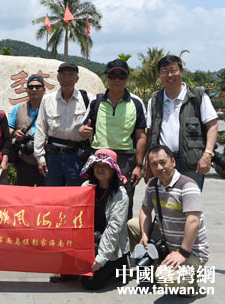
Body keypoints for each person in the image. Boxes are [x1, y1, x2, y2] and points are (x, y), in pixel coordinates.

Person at [128, 145, 209, 295]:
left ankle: (191, 280)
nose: (159, 167)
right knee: (132, 225)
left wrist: (183, 253)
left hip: (191, 250)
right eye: (153, 164)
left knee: (165, 278)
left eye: (163, 162)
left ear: (173, 162)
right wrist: (145, 236)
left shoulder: (188, 185)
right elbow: (145, 210)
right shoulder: (153, 184)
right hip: (166, 242)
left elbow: (193, 221)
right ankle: (154, 268)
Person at [79, 59, 147, 219]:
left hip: (125, 160)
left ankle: (122, 242)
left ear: (127, 78)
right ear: (106, 78)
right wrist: (83, 130)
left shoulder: (136, 103)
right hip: (99, 158)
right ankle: (96, 239)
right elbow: (82, 128)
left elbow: (141, 136)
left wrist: (138, 165)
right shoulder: (96, 102)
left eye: (121, 76)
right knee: (96, 200)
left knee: (123, 201)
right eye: (113, 76)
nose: (117, 80)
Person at [145, 55, 218, 190]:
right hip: (163, 163)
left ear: (181, 71)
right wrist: (147, 164)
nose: (169, 75)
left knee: (190, 204)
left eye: (173, 70)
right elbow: (149, 134)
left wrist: (207, 154)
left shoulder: (197, 96)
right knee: (164, 204)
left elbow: (212, 125)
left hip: (192, 163)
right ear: (159, 74)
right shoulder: (155, 100)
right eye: (164, 71)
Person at [75, 149, 130, 289]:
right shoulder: (85, 187)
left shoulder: (120, 196)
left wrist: (100, 259)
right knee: (71, 271)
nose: (100, 168)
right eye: (97, 164)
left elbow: (114, 229)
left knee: (89, 283)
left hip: (110, 245)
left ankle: (122, 263)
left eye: (105, 165)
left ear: (113, 170)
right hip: (89, 241)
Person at [34, 62, 91, 186]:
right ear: (58, 78)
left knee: (76, 196)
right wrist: (40, 157)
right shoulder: (47, 100)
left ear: (77, 78)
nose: (67, 79)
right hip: (53, 157)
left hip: (77, 157)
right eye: (63, 75)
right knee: (53, 197)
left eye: (71, 75)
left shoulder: (87, 100)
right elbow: (40, 128)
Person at [8, 74, 46, 186]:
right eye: (30, 87)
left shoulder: (50, 108)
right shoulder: (18, 108)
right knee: (23, 195)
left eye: (38, 86)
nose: (34, 89)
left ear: (44, 89)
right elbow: (9, 128)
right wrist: (15, 133)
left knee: (44, 196)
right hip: (24, 160)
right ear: (26, 90)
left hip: (45, 159)